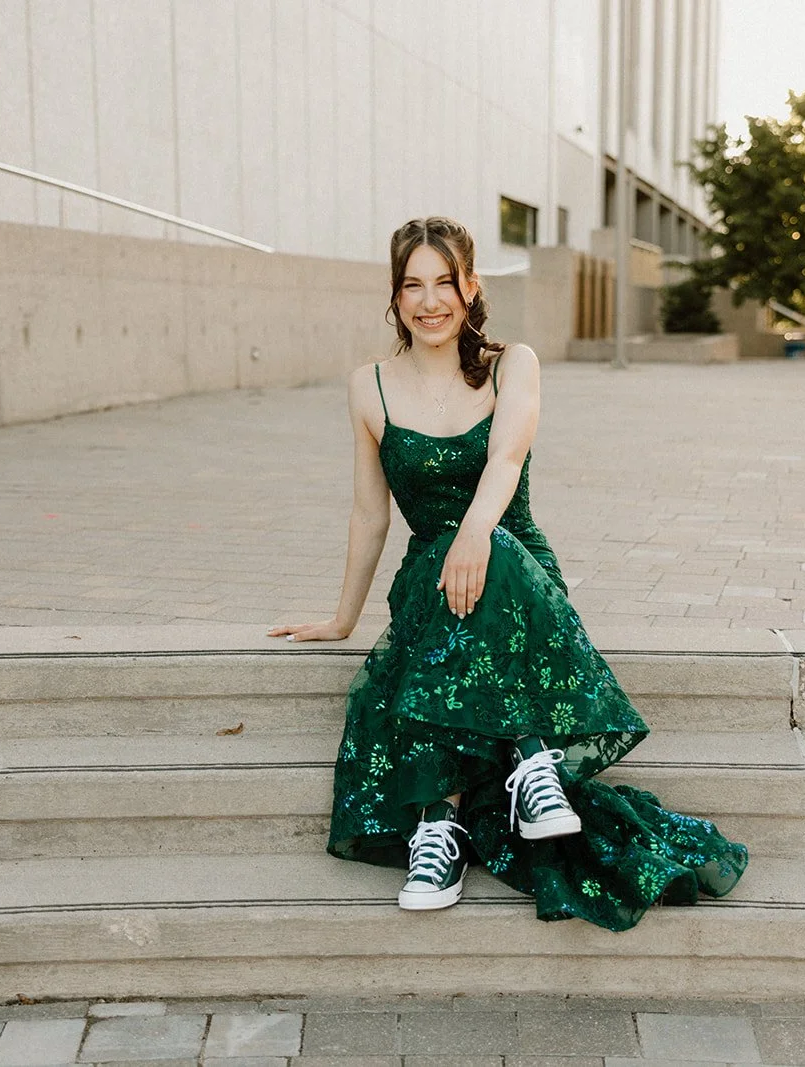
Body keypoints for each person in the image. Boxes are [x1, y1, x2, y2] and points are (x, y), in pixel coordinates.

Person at [267, 217, 746, 931]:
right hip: (432, 579)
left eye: (445, 282)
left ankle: (445, 820)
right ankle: (525, 772)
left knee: (476, 554)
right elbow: (370, 516)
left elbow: (507, 459)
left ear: (471, 286)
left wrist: (473, 533)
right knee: (439, 561)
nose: (430, 301)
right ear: (395, 297)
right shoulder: (367, 387)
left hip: (518, 568)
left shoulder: (512, 364)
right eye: (411, 285)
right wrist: (341, 619)